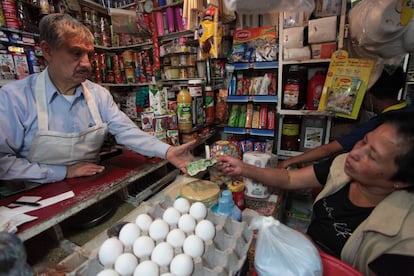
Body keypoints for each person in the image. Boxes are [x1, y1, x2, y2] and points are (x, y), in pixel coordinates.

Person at [0, 13, 196, 185]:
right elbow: (3, 162)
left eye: (89, 55)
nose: (86, 64)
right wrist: (63, 172)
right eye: (76, 53)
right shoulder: (15, 98)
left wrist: (168, 151)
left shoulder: (98, 95)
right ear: (48, 51)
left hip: (89, 186)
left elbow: (126, 131)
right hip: (34, 198)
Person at [216, 111, 414, 275]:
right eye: (363, 141)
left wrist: (313, 254)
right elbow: (290, 179)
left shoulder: (403, 241)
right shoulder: (342, 167)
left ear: (400, 181)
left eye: (372, 156)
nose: (355, 153)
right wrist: (243, 168)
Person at [277, 66, 411, 168]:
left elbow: (328, 149)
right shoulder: (408, 110)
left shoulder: (379, 124)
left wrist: (287, 162)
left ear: (369, 94)